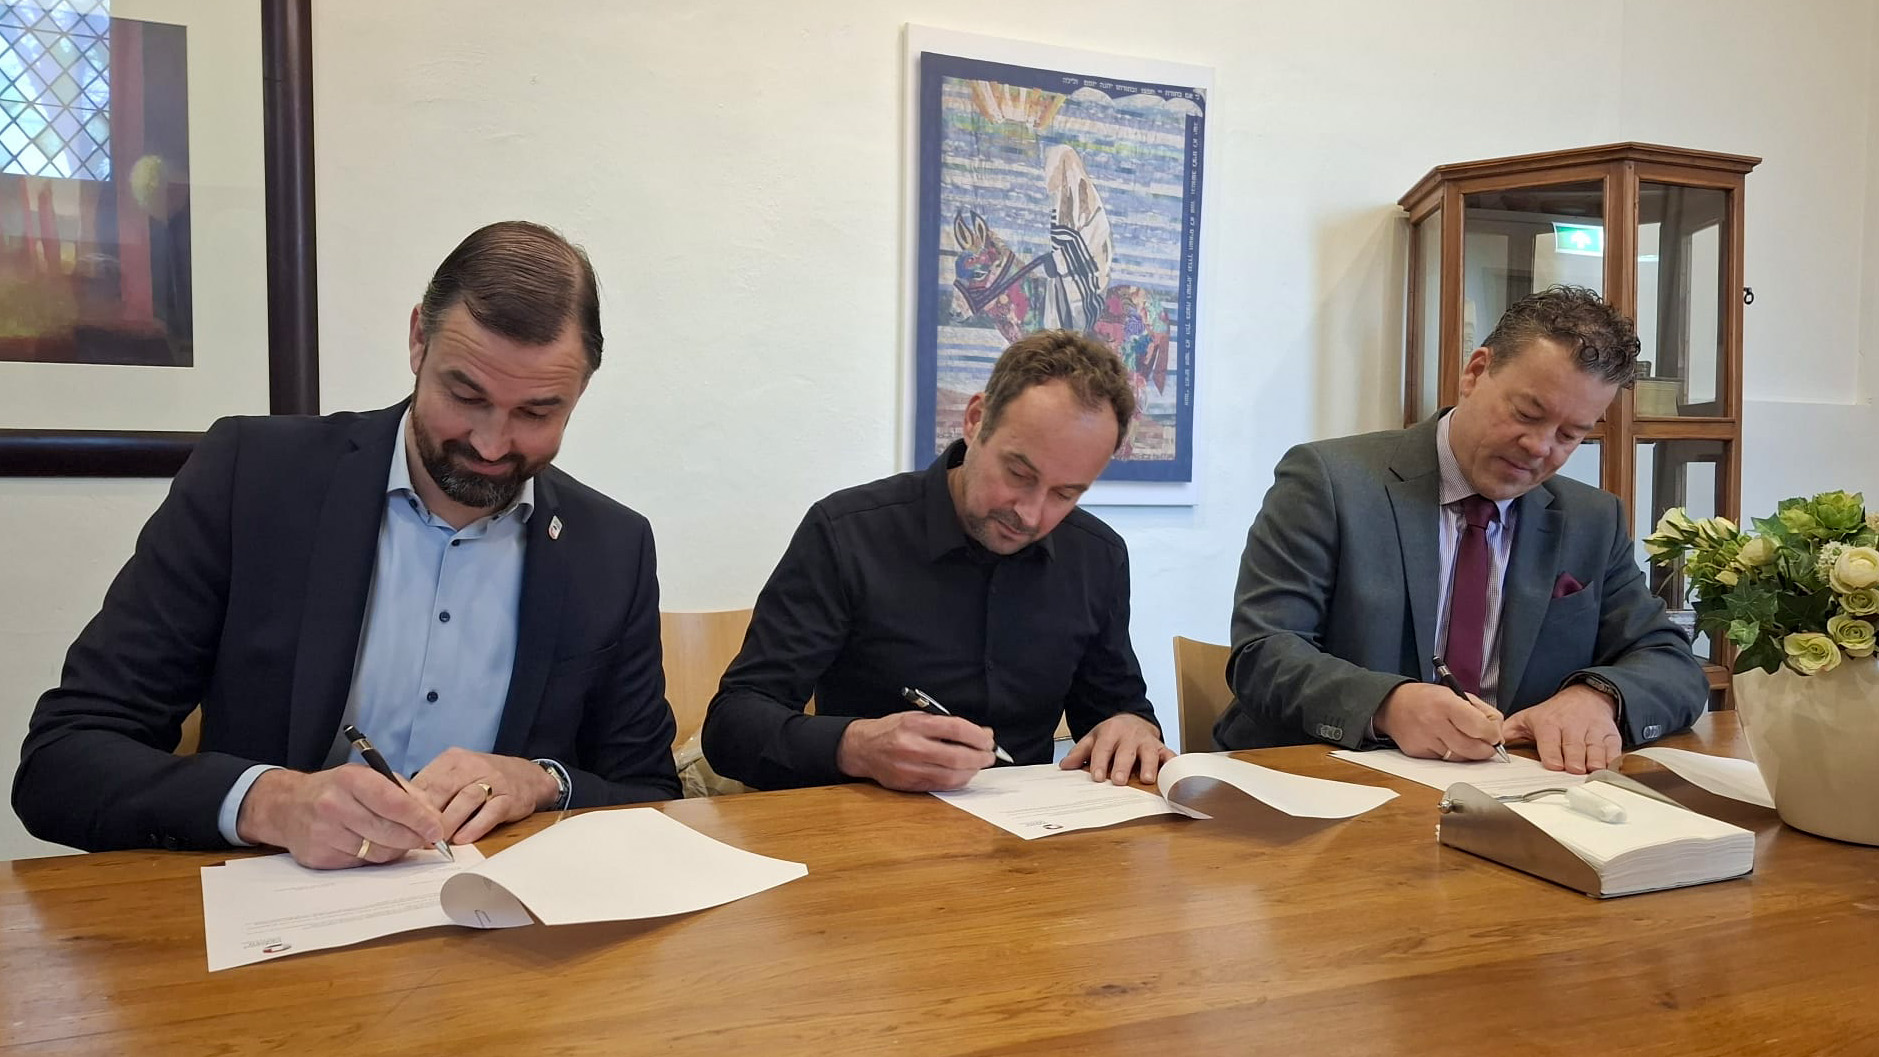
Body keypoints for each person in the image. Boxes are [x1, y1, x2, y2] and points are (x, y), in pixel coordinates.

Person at [14, 221, 679, 867]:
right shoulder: (254, 478)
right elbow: (63, 759)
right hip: (273, 934)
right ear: (418, 340)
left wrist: (542, 782)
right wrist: (272, 802)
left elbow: (651, 797)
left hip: (501, 946)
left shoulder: (612, 547)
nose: (490, 443)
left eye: (536, 412)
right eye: (464, 393)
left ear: (580, 390)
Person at [1213, 285, 1706, 773]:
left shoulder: (1590, 519)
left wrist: (1597, 697)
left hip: (1516, 794)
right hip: (1328, 786)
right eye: (1527, 413)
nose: (1539, 446)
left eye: (1569, 435)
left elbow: (1670, 661)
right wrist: (1388, 705)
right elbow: (1264, 653)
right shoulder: (1329, 481)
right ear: (1475, 373)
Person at [701, 330, 1170, 792]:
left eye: (1066, 494)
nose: (1030, 513)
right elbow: (732, 725)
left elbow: (1117, 708)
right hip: (870, 831)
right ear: (974, 420)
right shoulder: (848, 533)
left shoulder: (1096, 555)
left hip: (1031, 844)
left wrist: (1132, 727)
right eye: (1018, 473)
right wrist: (856, 746)